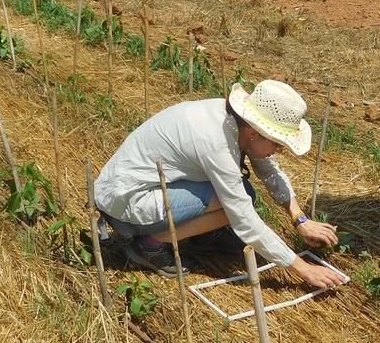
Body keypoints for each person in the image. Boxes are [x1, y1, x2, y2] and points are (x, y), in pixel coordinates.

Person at [93, 79, 346, 290]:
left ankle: (199, 234)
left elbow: (269, 171)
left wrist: (299, 218)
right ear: (255, 133)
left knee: (243, 192)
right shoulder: (215, 143)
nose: (279, 150)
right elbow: (244, 219)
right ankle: (149, 244)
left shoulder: (234, 122)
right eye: (278, 143)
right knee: (234, 205)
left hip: (136, 190)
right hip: (129, 203)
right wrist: (304, 269)